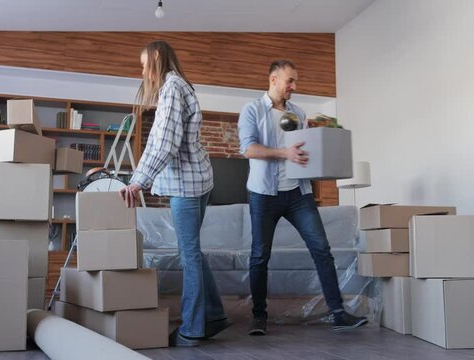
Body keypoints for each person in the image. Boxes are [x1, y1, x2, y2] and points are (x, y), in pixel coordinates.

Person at [237, 60, 368, 335]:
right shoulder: (252, 110)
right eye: (290, 81)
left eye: (295, 81)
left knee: (321, 249)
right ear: (273, 79)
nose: (294, 87)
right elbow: (248, 149)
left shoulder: (298, 112)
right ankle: (259, 317)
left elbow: (304, 151)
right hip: (264, 194)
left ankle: (338, 313)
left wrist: (320, 142)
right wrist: (284, 153)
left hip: (299, 193)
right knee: (260, 256)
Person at [120, 40, 231, 347]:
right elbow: (158, 141)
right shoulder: (180, 87)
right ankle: (214, 315)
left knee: (189, 254)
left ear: (157, 58)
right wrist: (137, 178)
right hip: (198, 180)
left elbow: (165, 144)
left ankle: (193, 329)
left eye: (144, 64)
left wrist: (139, 181)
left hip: (187, 184)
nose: (143, 71)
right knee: (193, 251)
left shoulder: (171, 88)